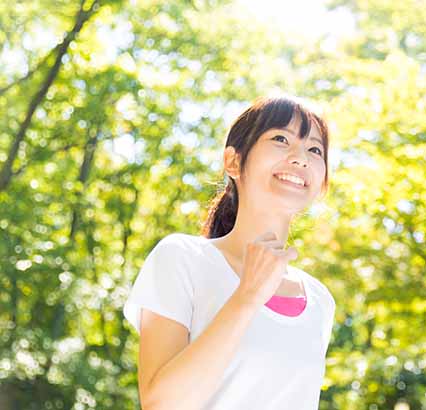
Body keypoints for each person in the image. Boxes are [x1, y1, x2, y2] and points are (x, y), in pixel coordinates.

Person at [122, 95, 336, 410]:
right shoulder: (182, 259)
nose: (301, 158)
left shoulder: (320, 301)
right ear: (233, 161)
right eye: (281, 139)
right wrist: (247, 296)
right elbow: (161, 404)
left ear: (321, 183)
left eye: (314, 149)